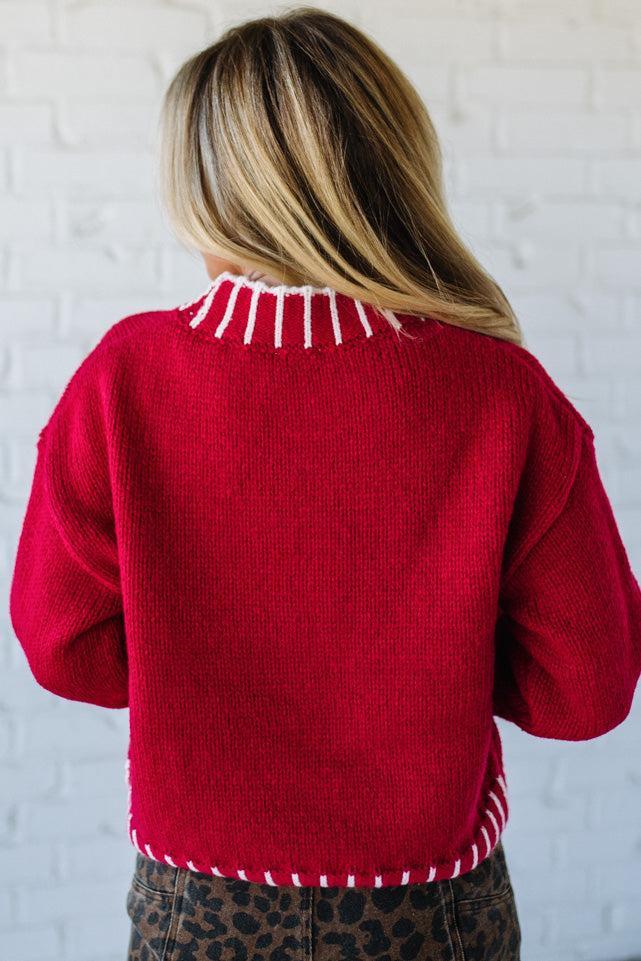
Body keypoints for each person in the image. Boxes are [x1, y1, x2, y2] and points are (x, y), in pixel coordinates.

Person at [9, 8, 641, 961]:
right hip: (430, 908)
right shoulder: (500, 392)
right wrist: (421, 675)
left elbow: (63, 643)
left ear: (205, 190)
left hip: (197, 901)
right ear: (396, 169)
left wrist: (215, 675)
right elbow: (584, 689)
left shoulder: (125, 379)